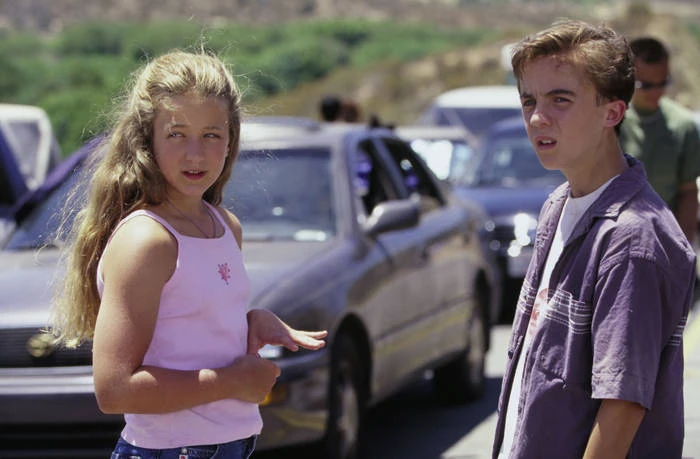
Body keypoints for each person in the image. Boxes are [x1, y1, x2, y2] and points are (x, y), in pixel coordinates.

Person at [49, 50, 328, 459]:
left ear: (231, 140)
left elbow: (188, 332)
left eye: (211, 135)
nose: (195, 154)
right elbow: (114, 389)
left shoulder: (224, 225)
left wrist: (250, 323)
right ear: (147, 140)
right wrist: (232, 381)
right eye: (177, 134)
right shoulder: (147, 240)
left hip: (231, 445)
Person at [493, 20, 695, 458]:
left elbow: (622, 403)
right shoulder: (559, 204)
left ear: (613, 113)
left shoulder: (633, 239)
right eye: (529, 100)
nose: (537, 118)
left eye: (560, 100)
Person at [619, 36, 700, 244]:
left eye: (662, 83)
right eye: (646, 85)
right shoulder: (611, 122)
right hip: (616, 238)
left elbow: (689, 192)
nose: (656, 92)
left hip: (663, 240)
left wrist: (682, 246)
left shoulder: (683, 126)